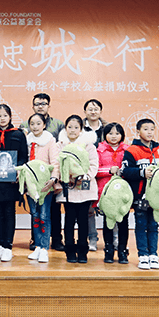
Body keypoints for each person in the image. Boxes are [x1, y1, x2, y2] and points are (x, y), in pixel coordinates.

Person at [121, 118, 159, 270]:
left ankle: (153, 255)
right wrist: (142, 172)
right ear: (138, 131)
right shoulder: (132, 151)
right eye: (145, 129)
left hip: (157, 197)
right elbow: (125, 171)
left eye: (152, 129)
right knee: (141, 225)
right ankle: (143, 256)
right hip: (140, 196)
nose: (149, 132)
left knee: (154, 225)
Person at [0, 104, 28, 262]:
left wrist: (19, 170)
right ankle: (0, 244)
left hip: (12, 181)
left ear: (10, 117)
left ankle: (8, 246)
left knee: (9, 212)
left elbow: (23, 156)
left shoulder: (18, 134)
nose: (2, 118)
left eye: (5, 115)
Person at [54, 115, 98, 264]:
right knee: (69, 221)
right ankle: (70, 251)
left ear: (81, 129)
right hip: (68, 189)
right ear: (65, 129)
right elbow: (56, 164)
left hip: (85, 189)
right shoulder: (59, 145)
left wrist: (84, 177)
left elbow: (93, 164)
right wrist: (66, 177)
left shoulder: (88, 145)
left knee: (83, 221)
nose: (72, 130)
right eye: (70, 127)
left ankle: (83, 250)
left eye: (76, 127)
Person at [28, 93, 65, 251]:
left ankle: (56, 240)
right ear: (33, 106)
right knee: (35, 213)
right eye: (37, 104)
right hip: (32, 180)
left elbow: (58, 154)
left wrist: (55, 177)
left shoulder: (58, 125)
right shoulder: (26, 128)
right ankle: (36, 240)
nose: (40, 106)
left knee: (52, 212)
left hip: (50, 180)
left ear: (49, 105)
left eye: (43, 103)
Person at [25, 113, 59, 264]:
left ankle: (44, 248)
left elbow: (55, 162)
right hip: (30, 185)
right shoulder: (27, 140)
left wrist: (53, 178)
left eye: (38, 123)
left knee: (44, 216)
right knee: (35, 215)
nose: (35, 127)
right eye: (32, 124)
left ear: (44, 125)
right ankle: (38, 246)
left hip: (45, 185)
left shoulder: (50, 140)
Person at [95, 122, 129, 264]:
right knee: (108, 223)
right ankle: (108, 250)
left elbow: (130, 170)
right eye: (110, 133)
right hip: (106, 193)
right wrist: (109, 171)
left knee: (123, 223)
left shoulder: (128, 150)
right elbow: (95, 170)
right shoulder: (99, 150)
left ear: (122, 135)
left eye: (117, 133)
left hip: (123, 193)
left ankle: (122, 251)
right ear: (105, 135)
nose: (114, 136)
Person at [84, 99, 107, 251]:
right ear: (85, 111)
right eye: (90, 109)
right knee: (89, 209)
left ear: (100, 111)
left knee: (108, 207)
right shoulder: (80, 128)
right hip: (87, 172)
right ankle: (92, 238)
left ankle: (112, 239)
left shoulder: (108, 128)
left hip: (105, 173)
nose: (93, 112)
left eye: (96, 109)